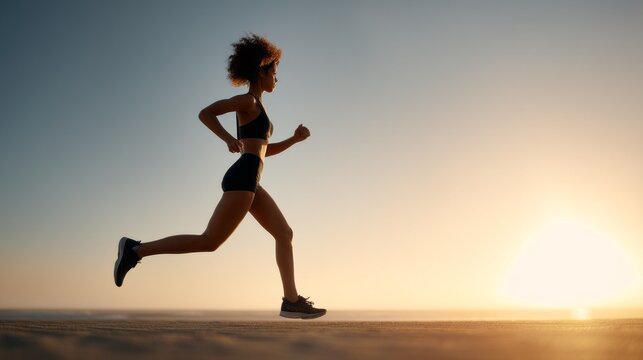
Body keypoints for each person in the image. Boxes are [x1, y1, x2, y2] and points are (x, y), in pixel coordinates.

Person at [113, 34, 326, 319]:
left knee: (284, 234)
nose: (277, 79)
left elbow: (263, 151)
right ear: (261, 71)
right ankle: (135, 250)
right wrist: (227, 138)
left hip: (251, 178)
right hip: (243, 177)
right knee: (209, 241)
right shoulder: (247, 101)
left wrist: (293, 140)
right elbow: (206, 113)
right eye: (275, 72)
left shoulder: (258, 107)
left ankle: (291, 300)